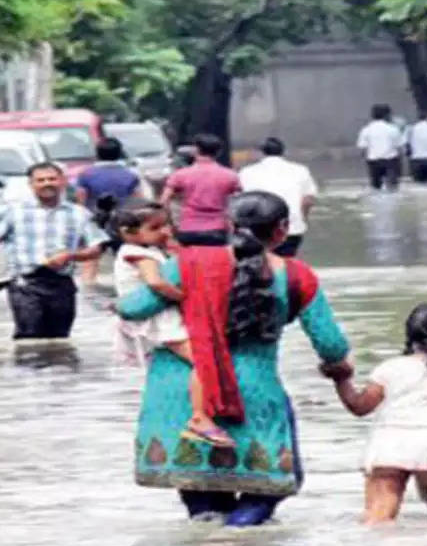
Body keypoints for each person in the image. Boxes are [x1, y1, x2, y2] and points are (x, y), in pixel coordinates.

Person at [115, 190, 352, 526]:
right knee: (266, 490)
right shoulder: (296, 275)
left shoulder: (187, 264)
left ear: (229, 224)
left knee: (203, 505)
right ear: (283, 229)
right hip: (254, 391)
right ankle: (239, 533)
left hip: (181, 390)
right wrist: (339, 367)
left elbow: (131, 308)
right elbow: (331, 344)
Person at [323, 302, 427, 525]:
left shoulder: (389, 368)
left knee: (377, 519)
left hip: (388, 445)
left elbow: (360, 406)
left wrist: (341, 379)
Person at [111, 199, 234, 448]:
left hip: (153, 319)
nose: (166, 232)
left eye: (167, 225)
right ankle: (200, 418)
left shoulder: (145, 250)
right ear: (128, 233)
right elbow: (156, 283)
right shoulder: (140, 254)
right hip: (160, 320)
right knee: (202, 360)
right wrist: (185, 297)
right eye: (156, 228)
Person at [0, 162, 108, 340]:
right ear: (31, 184)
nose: (47, 183)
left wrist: (71, 255)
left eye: (52, 179)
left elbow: (97, 248)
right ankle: (26, 366)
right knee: (29, 337)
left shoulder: (79, 214)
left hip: (61, 283)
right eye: (41, 180)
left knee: (60, 339)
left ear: (62, 182)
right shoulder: (13, 212)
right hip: (24, 284)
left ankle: (56, 367)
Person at [75, 136, 144, 284]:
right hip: (123, 222)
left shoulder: (86, 174)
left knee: (90, 260)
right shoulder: (130, 175)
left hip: (95, 221)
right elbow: (138, 201)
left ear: (97, 153)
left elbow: (80, 199)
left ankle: (87, 289)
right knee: (127, 257)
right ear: (120, 153)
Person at [237, 137, 318, 257]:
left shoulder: (246, 172)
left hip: (257, 231)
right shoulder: (300, 170)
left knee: (260, 265)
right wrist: (302, 219)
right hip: (291, 228)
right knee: (286, 263)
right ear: (283, 152)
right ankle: (282, 275)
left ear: (261, 153)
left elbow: (240, 201)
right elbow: (308, 200)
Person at [159, 133, 242, 242]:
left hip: (188, 229)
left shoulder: (180, 175)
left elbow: (164, 201)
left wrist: (171, 224)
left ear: (195, 150)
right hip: (218, 230)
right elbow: (239, 202)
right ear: (219, 152)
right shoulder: (230, 175)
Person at [356, 104, 405, 191]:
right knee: (392, 188)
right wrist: (400, 163)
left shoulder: (366, 130)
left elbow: (362, 149)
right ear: (387, 115)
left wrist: (366, 161)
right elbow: (400, 148)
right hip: (391, 161)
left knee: (376, 188)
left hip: (373, 162)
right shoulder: (393, 129)